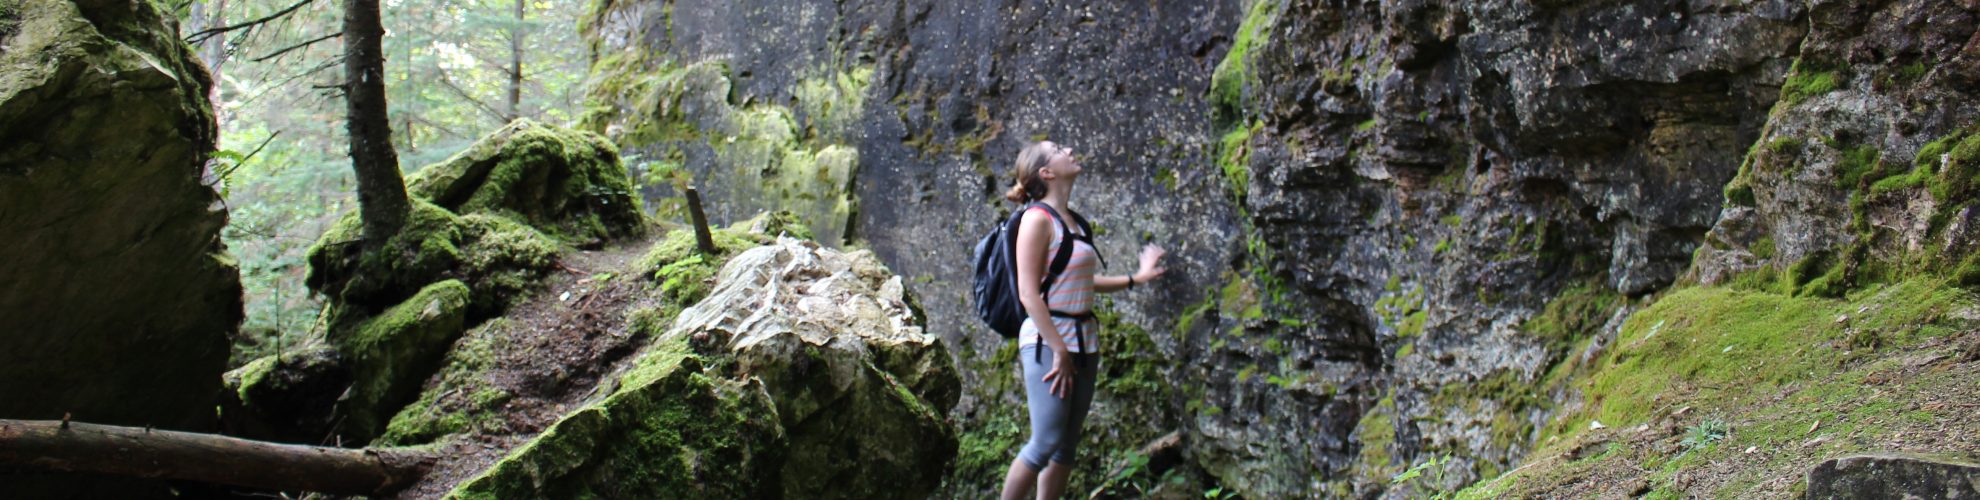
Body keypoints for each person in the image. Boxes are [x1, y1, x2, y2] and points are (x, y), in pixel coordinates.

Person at [999, 141, 1168, 500]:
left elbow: (1077, 281)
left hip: (1084, 340)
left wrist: (1136, 278)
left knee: (1065, 448)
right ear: (1046, 172)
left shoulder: (1073, 222)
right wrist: (1058, 349)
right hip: (1049, 340)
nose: (1070, 149)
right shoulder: (1036, 219)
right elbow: (1029, 293)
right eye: (1058, 148)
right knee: (1044, 442)